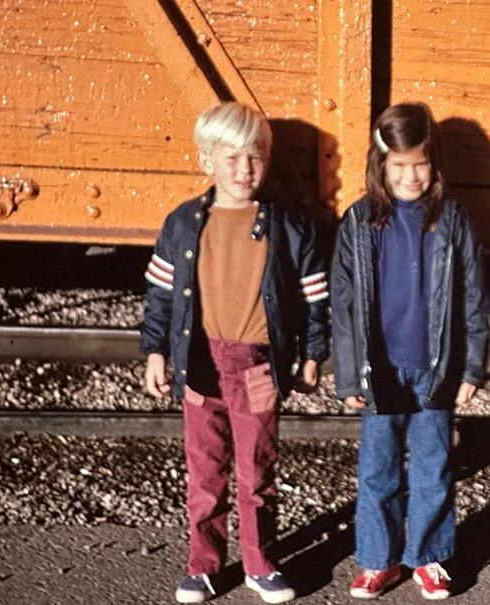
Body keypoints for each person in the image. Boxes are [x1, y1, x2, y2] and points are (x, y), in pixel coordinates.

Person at [140, 101, 329, 604]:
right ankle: (203, 565)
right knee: (205, 471)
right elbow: (160, 296)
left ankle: (259, 563)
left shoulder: (289, 227)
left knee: (257, 468)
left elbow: (314, 299)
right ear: (206, 160)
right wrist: (156, 350)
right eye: (232, 158)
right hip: (199, 362)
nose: (245, 170)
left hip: (258, 365)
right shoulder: (182, 224)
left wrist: (313, 353)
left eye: (255, 158)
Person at [330, 102, 490, 600]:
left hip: (436, 369)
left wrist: (472, 366)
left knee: (433, 468)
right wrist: (349, 376)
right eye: (399, 165)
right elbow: (344, 302)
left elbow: (474, 296)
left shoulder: (454, 220)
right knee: (377, 470)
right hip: (381, 370)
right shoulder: (359, 221)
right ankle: (379, 560)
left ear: (434, 163)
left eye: (420, 163)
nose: (411, 175)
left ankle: (428, 557)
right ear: (381, 166)